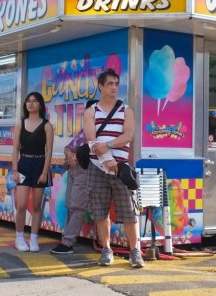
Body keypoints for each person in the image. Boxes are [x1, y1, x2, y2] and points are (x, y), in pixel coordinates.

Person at [83, 68, 144, 269]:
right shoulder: (91, 111)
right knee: (100, 212)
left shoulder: (126, 110)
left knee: (128, 211)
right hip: (96, 166)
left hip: (121, 167)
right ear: (100, 86)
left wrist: (108, 148)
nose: (114, 88)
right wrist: (106, 158)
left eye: (116, 84)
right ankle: (106, 250)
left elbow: (128, 136)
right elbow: (91, 139)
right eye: (109, 84)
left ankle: (135, 251)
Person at [50, 99, 97, 255]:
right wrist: (70, 154)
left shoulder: (101, 131)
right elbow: (67, 147)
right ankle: (66, 238)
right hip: (73, 170)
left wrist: (78, 155)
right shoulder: (84, 130)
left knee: (78, 206)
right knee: (70, 204)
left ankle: (68, 242)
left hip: (86, 170)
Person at [11, 91, 54, 253]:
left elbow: (49, 151)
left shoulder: (47, 126)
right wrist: (15, 169)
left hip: (39, 164)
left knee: (36, 205)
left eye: (35, 101)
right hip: (24, 165)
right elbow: (15, 149)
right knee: (21, 205)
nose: (31, 103)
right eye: (28, 101)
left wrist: (44, 172)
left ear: (40, 105)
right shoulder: (20, 124)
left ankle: (34, 238)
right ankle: (19, 237)